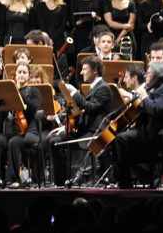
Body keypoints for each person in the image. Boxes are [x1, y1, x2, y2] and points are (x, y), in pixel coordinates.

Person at [111, 59, 163, 188]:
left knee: (120, 140)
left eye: (148, 73)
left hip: (159, 136)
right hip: (150, 132)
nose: (145, 76)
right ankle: (132, 178)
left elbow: (156, 110)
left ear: (157, 75)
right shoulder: (156, 88)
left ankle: (126, 182)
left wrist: (144, 97)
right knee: (119, 138)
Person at [47, 57, 113, 186]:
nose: (81, 72)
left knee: (56, 142)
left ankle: (63, 182)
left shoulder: (104, 88)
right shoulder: (93, 87)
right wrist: (65, 127)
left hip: (95, 133)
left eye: (84, 69)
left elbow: (90, 108)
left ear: (94, 71)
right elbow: (78, 111)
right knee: (53, 140)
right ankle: (61, 181)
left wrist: (74, 91)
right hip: (83, 129)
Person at [0, 62, 41, 187]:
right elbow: (2, 117)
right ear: (15, 75)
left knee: (13, 142)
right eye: (19, 72)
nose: (22, 75)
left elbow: (34, 108)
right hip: (13, 129)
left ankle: (14, 179)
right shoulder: (9, 92)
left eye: (25, 72)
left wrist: (20, 96)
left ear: (29, 76)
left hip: (27, 130)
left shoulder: (34, 91)